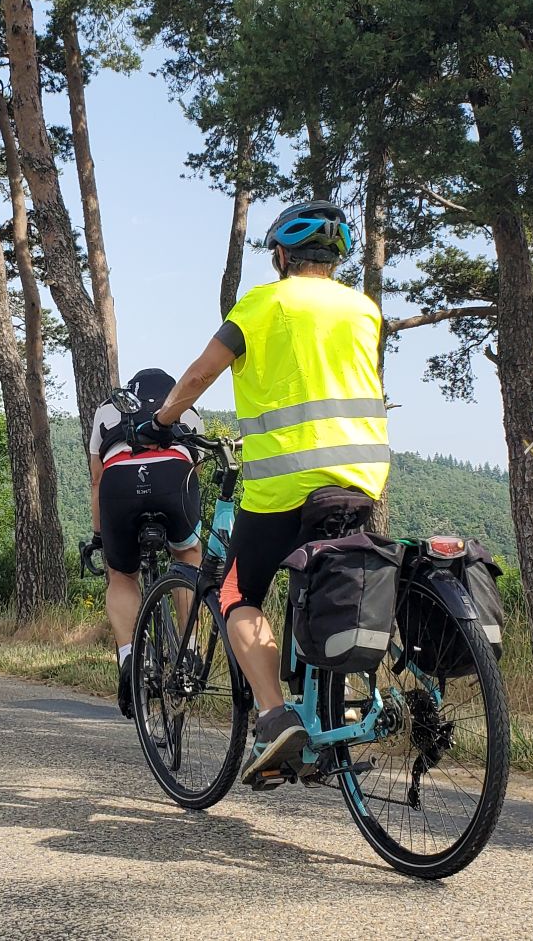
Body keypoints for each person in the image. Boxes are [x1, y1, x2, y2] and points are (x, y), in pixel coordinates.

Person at [148, 199, 388, 786]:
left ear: (281, 254)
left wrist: (162, 419)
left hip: (285, 483)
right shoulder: (365, 309)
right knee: (331, 582)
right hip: (359, 479)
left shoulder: (263, 303)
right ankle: (341, 700)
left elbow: (202, 373)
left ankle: (275, 715)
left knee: (237, 593)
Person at [88, 368, 205, 717]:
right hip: (173, 478)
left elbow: (96, 480)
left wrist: (99, 537)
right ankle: (190, 650)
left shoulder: (107, 409)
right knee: (187, 555)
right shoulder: (188, 408)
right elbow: (194, 473)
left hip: (119, 484)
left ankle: (130, 656)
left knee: (122, 576)